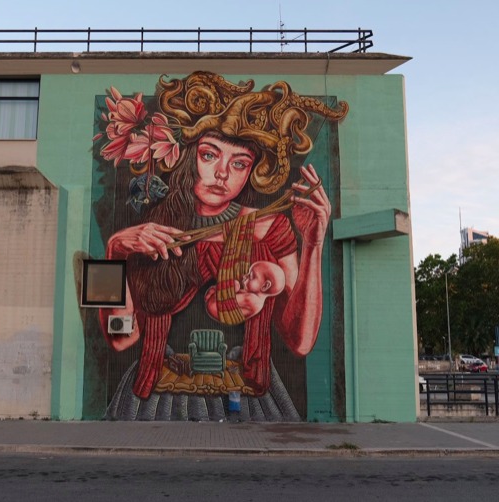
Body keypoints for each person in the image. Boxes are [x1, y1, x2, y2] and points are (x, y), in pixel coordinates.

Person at [96, 71, 348, 421]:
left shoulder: (269, 228)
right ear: (188, 157)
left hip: (246, 397)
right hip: (157, 396)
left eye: (239, 163)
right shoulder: (156, 227)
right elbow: (121, 339)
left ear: (253, 170)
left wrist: (315, 244)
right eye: (209, 155)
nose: (222, 174)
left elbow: (301, 341)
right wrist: (115, 249)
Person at [204, 260, 285, 321]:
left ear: (265, 286)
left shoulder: (252, 300)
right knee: (235, 285)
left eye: (251, 276)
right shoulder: (254, 298)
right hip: (216, 306)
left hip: (215, 307)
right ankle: (212, 295)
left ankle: (212, 296)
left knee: (235, 285)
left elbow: (227, 301)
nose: (244, 276)